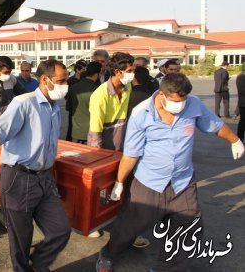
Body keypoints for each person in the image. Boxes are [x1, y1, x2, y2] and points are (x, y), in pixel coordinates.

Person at [95, 73, 245, 272]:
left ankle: (168, 267)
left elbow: (215, 126)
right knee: (132, 225)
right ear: (162, 94)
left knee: (187, 226)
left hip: (182, 181)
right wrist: (120, 182)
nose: (180, 105)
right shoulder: (142, 114)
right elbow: (131, 154)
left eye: (183, 100)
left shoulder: (194, 105)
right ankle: (109, 253)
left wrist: (235, 140)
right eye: (175, 100)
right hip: (149, 182)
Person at [0, 59, 71, 272]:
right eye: (62, 81)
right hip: (18, 179)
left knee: (60, 230)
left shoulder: (54, 107)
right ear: (45, 80)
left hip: (44, 179)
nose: (66, 85)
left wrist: (51, 177)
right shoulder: (24, 103)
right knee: (21, 241)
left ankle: (37, 264)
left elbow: (48, 147)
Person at [88, 52, 134, 151]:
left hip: (122, 141)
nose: (132, 74)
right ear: (117, 72)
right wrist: (96, 153)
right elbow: (95, 128)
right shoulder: (100, 94)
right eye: (129, 71)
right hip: (104, 143)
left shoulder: (127, 86)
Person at [69, 61, 102, 144]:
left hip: (76, 132)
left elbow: (68, 107)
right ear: (97, 74)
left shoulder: (73, 88)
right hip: (92, 133)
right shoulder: (98, 90)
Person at [65, 59, 87, 141]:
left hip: (82, 107)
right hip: (72, 107)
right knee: (71, 125)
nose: (85, 71)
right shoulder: (70, 81)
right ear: (77, 70)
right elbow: (66, 95)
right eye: (83, 69)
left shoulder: (84, 80)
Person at [237, 66, 245, 140]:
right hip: (243, 103)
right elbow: (241, 90)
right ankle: (240, 139)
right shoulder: (241, 76)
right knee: (243, 122)